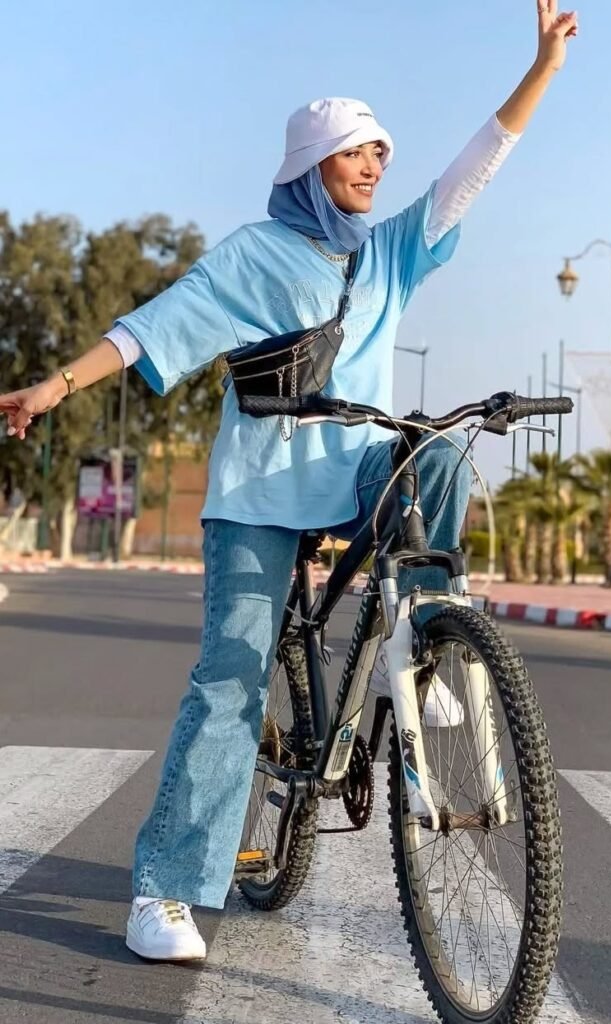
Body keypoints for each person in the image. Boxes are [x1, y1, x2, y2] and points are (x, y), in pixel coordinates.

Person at [0, 1, 577, 963]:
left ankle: (420, 642)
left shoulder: (388, 251)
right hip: (260, 491)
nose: (374, 166)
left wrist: (543, 69)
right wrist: (55, 386)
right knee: (230, 679)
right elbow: (151, 326)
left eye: (381, 152)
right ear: (311, 164)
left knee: (435, 452)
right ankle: (164, 891)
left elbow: (470, 172)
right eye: (356, 152)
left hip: (355, 468)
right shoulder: (252, 254)